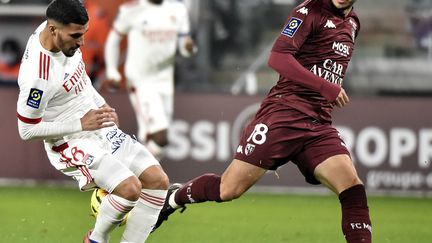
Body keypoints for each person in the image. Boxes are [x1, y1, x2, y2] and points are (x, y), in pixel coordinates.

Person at [153, 0, 372, 242]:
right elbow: (278, 58)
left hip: (319, 123)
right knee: (228, 189)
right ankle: (173, 198)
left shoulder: (352, 23)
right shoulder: (308, 11)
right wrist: (324, 86)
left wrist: (325, 90)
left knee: (353, 188)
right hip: (284, 114)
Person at [15, 0, 169, 242]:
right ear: (53, 30)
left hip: (95, 123)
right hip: (70, 141)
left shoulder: (59, 33)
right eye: (76, 36)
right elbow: (26, 130)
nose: (82, 42)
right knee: (129, 189)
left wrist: (101, 104)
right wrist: (81, 124)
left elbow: (79, 79)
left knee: (158, 182)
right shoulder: (38, 76)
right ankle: (97, 239)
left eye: (83, 34)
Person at [104, 0, 197, 160]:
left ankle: (142, 178)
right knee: (160, 137)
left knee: (154, 141)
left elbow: (184, 46)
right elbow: (113, 40)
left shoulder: (178, 9)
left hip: (165, 80)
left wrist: (189, 47)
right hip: (140, 80)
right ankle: (128, 171)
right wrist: (112, 71)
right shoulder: (131, 10)